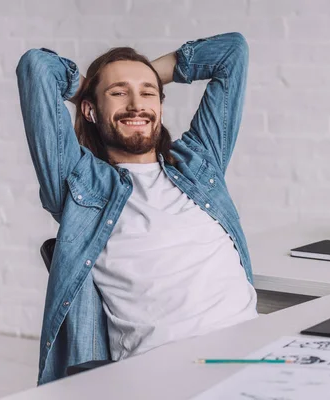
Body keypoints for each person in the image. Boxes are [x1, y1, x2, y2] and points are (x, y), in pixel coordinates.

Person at [16, 32, 258, 385]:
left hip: (253, 354)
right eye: (118, 93)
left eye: (148, 93)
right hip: (169, 375)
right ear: (90, 110)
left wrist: (144, 75)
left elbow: (232, 53)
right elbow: (36, 67)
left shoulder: (199, 162)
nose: (136, 104)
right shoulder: (81, 182)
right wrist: (93, 89)